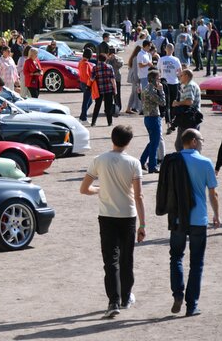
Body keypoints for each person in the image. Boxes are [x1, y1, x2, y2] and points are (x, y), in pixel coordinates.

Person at [80, 125, 147, 319]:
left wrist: (99, 189)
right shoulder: (134, 163)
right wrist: (142, 225)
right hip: (128, 216)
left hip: (107, 216)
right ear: (129, 141)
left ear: (112, 139)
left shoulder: (99, 160)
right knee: (127, 259)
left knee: (111, 261)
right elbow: (139, 196)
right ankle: (126, 297)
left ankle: (113, 301)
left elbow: (84, 189)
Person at [164, 129, 219, 317]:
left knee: (176, 257)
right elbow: (213, 193)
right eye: (201, 140)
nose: (203, 143)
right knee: (197, 263)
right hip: (198, 218)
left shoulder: (172, 161)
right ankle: (192, 305)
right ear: (194, 141)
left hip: (178, 217)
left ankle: (178, 294)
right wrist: (217, 215)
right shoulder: (205, 162)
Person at [140, 70, 166, 173]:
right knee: (155, 143)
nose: (159, 80)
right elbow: (162, 102)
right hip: (154, 118)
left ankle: (142, 161)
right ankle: (152, 166)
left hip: (147, 117)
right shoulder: (152, 91)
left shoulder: (145, 88)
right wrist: (161, 91)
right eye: (158, 78)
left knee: (153, 142)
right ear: (153, 79)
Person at [172, 69, 201, 151]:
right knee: (193, 144)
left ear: (186, 76)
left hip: (188, 119)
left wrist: (177, 103)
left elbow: (189, 102)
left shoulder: (189, 86)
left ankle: (183, 162)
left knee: (180, 145)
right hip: (193, 118)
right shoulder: (193, 85)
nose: (179, 77)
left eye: (181, 75)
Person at [159, 43, 183, 125]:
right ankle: (172, 118)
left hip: (164, 82)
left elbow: (158, 71)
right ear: (173, 50)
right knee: (174, 101)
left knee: (166, 102)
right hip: (174, 82)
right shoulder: (176, 60)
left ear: (165, 49)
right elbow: (180, 72)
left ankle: (168, 120)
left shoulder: (161, 59)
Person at [91, 53, 116, 127]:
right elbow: (112, 79)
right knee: (108, 107)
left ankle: (93, 122)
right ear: (106, 59)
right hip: (109, 89)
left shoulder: (95, 68)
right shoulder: (109, 67)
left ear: (98, 59)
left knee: (97, 106)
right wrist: (115, 89)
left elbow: (91, 79)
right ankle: (109, 122)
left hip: (99, 89)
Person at [125, 45, 143, 114]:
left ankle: (130, 108)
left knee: (133, 93)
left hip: (134, 78)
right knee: (134, 93)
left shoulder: (134, 57)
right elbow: (135, 70)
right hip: (135, 78)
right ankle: (130, 108)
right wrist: (137, 80)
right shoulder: (136, 58)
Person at [78, 48, 94, 121]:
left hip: (82, 83)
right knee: (86, 101)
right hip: (87, 83)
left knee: (89, 101)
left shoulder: (81, 62)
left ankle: (82, 115)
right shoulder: (86, 63)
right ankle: (83, 118)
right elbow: (87, 75)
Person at [108, 48, 124, 114]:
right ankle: (110, 108)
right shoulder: (107, 59)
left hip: (116, 78)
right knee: (109, 95)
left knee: (117, 94)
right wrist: (108, 59)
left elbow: (120, 65)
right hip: (109, 79)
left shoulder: (118, 58)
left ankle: (118, 107)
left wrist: (115, 59)